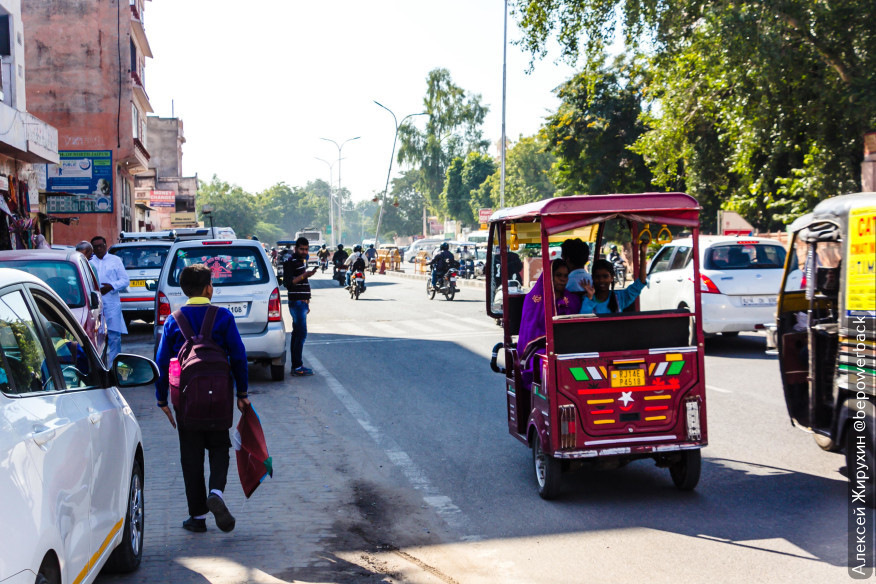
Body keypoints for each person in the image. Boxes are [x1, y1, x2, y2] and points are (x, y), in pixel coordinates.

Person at [154, 264, 250, 533]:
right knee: (220, 447)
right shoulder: (223, 317)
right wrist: (242, 394)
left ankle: (197, 518)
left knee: (191, 456)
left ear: (185, 290)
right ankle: (216, 492)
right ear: (209, 288)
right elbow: (239, 356)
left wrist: (162, 399)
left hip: (186, 401)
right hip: (219, 399)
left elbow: (161, 362)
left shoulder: (174, 320)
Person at [517, 259, 581, 381]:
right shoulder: (534, 299)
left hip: (568, 348)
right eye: (558, 275)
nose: (563, 279)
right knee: (546, 367)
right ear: (548, 276)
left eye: (565, 276)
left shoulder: (572, 299)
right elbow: (531, 330)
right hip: (540, 349)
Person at [580, 240, 649, 314]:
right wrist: (589, 297)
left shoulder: (619, 298)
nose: (601, 280)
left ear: (612, 277)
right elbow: (583, 319)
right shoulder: (587, 299)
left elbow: (641, 282)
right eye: (597, 277)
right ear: (592, 278)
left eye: (605, 276)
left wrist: (643, 253)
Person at [89, 236, 129, 363]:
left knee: (114, 337)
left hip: (111, 303)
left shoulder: (115, 260)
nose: (99, 249)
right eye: (96, 247)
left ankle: (114, 367)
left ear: (106, 246)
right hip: (94, 304)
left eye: (101, 246)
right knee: (96, 337)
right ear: (93, 249)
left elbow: (125, 281)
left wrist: (111, 286)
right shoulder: (89, 262)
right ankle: (99, 368)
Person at [283, 237, 318, 376]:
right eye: (302, 249)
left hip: (301, 303)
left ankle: (296, 365)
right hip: (296, 303)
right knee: (301, 334)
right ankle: (297, 366)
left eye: (306, 249)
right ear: (296, 248)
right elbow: (288, 283)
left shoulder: (300, 262)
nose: (304, 252)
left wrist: (307, 302)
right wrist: (305, 275)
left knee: (297, 334)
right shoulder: (290, 262)